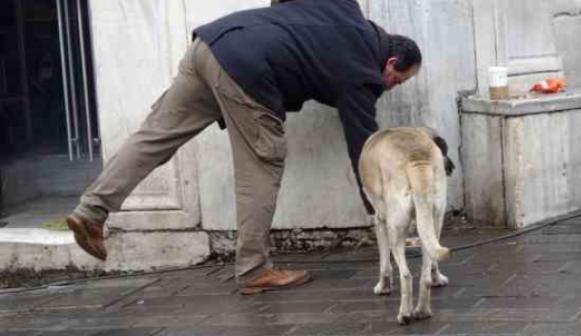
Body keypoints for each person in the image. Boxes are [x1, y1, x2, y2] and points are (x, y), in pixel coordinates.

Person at [66, 0, 422, 294]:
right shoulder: (362, 73)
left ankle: (91, 210)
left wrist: (281, 27)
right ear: (390, 62)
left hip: (212, 43)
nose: (390, 87)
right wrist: (383, 215)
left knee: (155, 136)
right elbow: (364, 148)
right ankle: (254, 269)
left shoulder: (344, 7)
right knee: (262, 163)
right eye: (397, 80)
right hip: (248, 70)